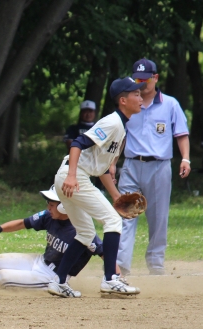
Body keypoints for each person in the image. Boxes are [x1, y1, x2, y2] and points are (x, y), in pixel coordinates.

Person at [47, 77, 145, 298]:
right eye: (136, 94)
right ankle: (111, 279)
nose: (141, 98)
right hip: (73, 177)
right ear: (123, 100)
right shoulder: (112, 123)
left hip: (70, 176)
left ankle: (59, 282)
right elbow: (77, 143)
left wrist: (116, 196)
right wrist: (72, 176)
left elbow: (101, 168)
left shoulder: (121, 127)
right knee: (112, 221)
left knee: (85, 233)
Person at [0, 186, 108, 290]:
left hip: (52, 277)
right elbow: (22, 223)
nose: (48, 207)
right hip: (40, 261)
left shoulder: (83, 230)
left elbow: (105, 253)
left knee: (2, 277)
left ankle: (50, 289)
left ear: (65, 206)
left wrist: (113, 278)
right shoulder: (49, 216)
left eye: (52, 204)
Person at [116, 58, 191, 276]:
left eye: (145, 79)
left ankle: (156, 264)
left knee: (158, 217)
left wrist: (185, 158)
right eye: (137, 80)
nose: (141, 83)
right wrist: (112, 163)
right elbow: (120, 136)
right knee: (125, 214)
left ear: (155, 78)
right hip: (131, 165)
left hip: (159, 166)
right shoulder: (129, 103)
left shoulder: (170, 104)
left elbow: (181, 134)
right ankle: (121, 266)